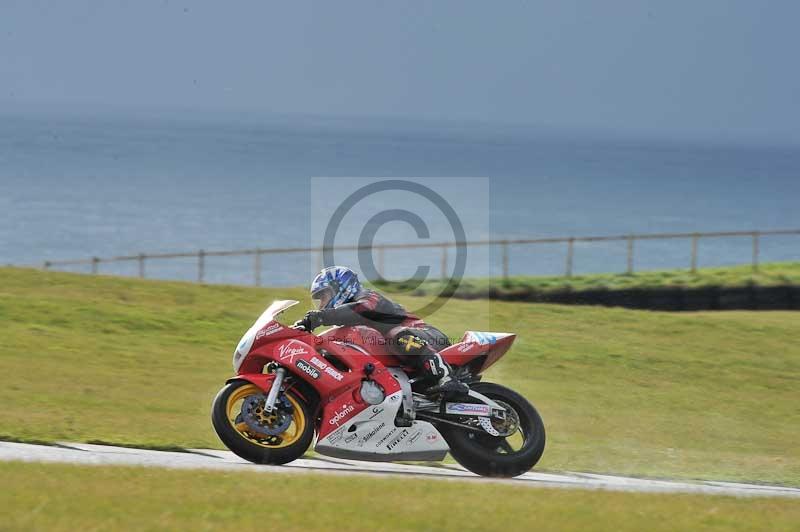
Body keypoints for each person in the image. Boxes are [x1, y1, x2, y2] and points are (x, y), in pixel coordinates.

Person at [296, 265, 468, 396]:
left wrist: (320, 317)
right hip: (403, 360)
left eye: (323, 296)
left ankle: (445, 376)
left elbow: (360, 310)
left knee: (395, 335)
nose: (321, 304)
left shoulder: (368, 297)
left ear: (340, 287)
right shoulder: (346, 326)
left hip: (428, 338)